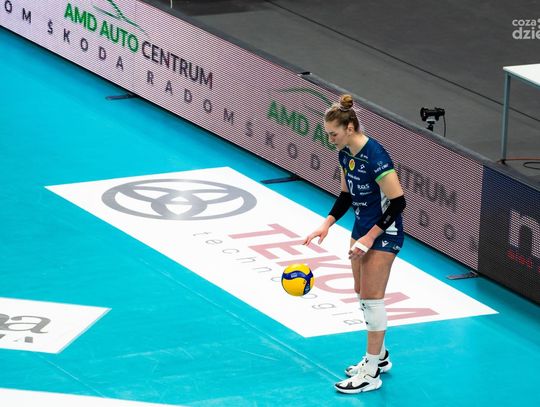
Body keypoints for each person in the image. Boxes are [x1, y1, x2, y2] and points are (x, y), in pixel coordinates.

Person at [303, 94, 406, 394]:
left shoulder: (376, 157)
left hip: (384, 232)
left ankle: (371, 373)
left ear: (349, 128)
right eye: (327, 134)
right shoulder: (345, 153)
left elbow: (398, 202)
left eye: (333, 134)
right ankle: (380, 356)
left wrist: (370, 237)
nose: (330, 139)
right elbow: (346, 195)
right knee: (361, 292)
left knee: (372, 300)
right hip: (360, 229)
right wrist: (327, 223)